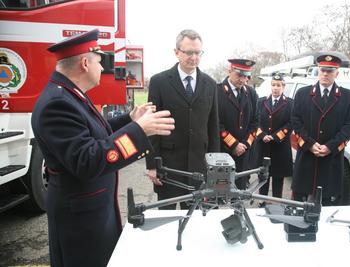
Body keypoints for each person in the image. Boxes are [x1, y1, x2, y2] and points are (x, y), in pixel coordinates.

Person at [31, 29, 175, 267]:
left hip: (90, 211)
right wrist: (139, 131)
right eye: (100, 61)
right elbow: (87, 160)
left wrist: (130, 119)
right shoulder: (58, 103)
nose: (103, 68)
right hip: (80, 220)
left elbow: (95, 130)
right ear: (85, 63)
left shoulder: (70, 94)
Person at [145, 29, 220, 209]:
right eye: (188, 52)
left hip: (199, 166)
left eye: (197, 52)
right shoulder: (159, 82)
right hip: (168, 166)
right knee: (167, 219)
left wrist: (216, 166)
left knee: (195, 220)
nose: (193, 57)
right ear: (176, 52)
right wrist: (152, 165)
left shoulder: (210, 84)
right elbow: (151, 126)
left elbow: (213, 126)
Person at [291, 54, 350, 206]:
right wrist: (309, 143)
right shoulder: (303, 94)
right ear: (318, 71)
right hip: (307, 155)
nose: (325, 74)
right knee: (300, 204)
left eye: (330, 71)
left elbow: (349, 125)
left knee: (328, 203)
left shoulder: (348, 96)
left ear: (337, 73)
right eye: (323, 70)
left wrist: (330, 146)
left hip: (331, 158)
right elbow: (296, 121)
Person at [217, 59, 258, 189]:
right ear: (229, 71)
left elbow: (255, 121)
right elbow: (215, 123)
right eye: (239, 75)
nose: (242, 79)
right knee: (219, 193)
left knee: (239, 195)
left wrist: (245, 144)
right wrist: (233, 144)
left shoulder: (251, 93)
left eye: (246, 76)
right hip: (222, 152)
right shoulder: (217, 91)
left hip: (243, 153)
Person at [254, 73, 293, 202]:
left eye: (278, 85)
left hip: (279, 147)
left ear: (283, 87)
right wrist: (262, 135)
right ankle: (262, 200)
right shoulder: (261, 102)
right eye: (273, 85)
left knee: (278, 177)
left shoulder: (289, 104)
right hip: (263, 145)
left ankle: (277, 202)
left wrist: (276, 136)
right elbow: (255, 121)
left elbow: (290, 123)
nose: (275, 88)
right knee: (263, 176)